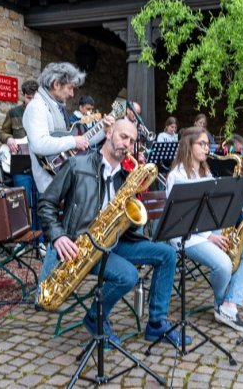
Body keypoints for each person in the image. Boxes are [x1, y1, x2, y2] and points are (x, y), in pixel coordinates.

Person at [37, 119, 190, 346]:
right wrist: (58, 236)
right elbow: (45, 204)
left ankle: (156, 325)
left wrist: (137, 191)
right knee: (128, 275)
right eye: (123, 137)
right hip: (84, 246)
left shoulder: (126, 175)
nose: (127, 144)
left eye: (132, 140)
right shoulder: (77, 165)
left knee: (167, 254)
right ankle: (95, 317)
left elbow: (132, 223)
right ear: (108, 133)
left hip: (116, 241)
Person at [165, 127, 243, 332]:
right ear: (188, 145)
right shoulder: (177, 176)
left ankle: (230, 303)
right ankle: (221, 304)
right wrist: (210, 237)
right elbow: (182, 218)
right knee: (225, 264)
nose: (207, 148)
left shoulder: (205, 171)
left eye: (208, 144)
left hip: (210, 230)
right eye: (202, 144)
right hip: (187, 235)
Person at [24, 62, 105, 193]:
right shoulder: (36, 107)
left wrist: (104, 130)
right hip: (50, 186)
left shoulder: (56, 108)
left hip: (62, 180)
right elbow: (39, 144)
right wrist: (73, 141)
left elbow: (83, 141)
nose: (72, 94)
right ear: (56, 84)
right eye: (70, 88)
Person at [0, 79, 38, 153]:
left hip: (39, 157)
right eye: (29, 98)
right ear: (23, 96)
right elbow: (2, 133)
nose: (32, 101)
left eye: (34, 98)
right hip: (19, 155)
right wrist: (8, 139)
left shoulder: (44, 113)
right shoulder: (13, 113)